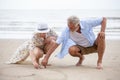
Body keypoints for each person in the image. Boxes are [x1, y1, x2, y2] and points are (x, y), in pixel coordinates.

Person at [41, 16, 106, 69]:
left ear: (77, 24)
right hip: (81, 48)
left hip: (94, 44)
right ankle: (81, 58)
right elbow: (56, 44)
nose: (69, 29)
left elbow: (103, 19)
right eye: (68, 26)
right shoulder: (66, 30)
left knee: (101, 36)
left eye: (71, 27)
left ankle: (99, 61)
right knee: (71, 50)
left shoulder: (86, 22)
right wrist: (46, 58)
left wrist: (102, 31)